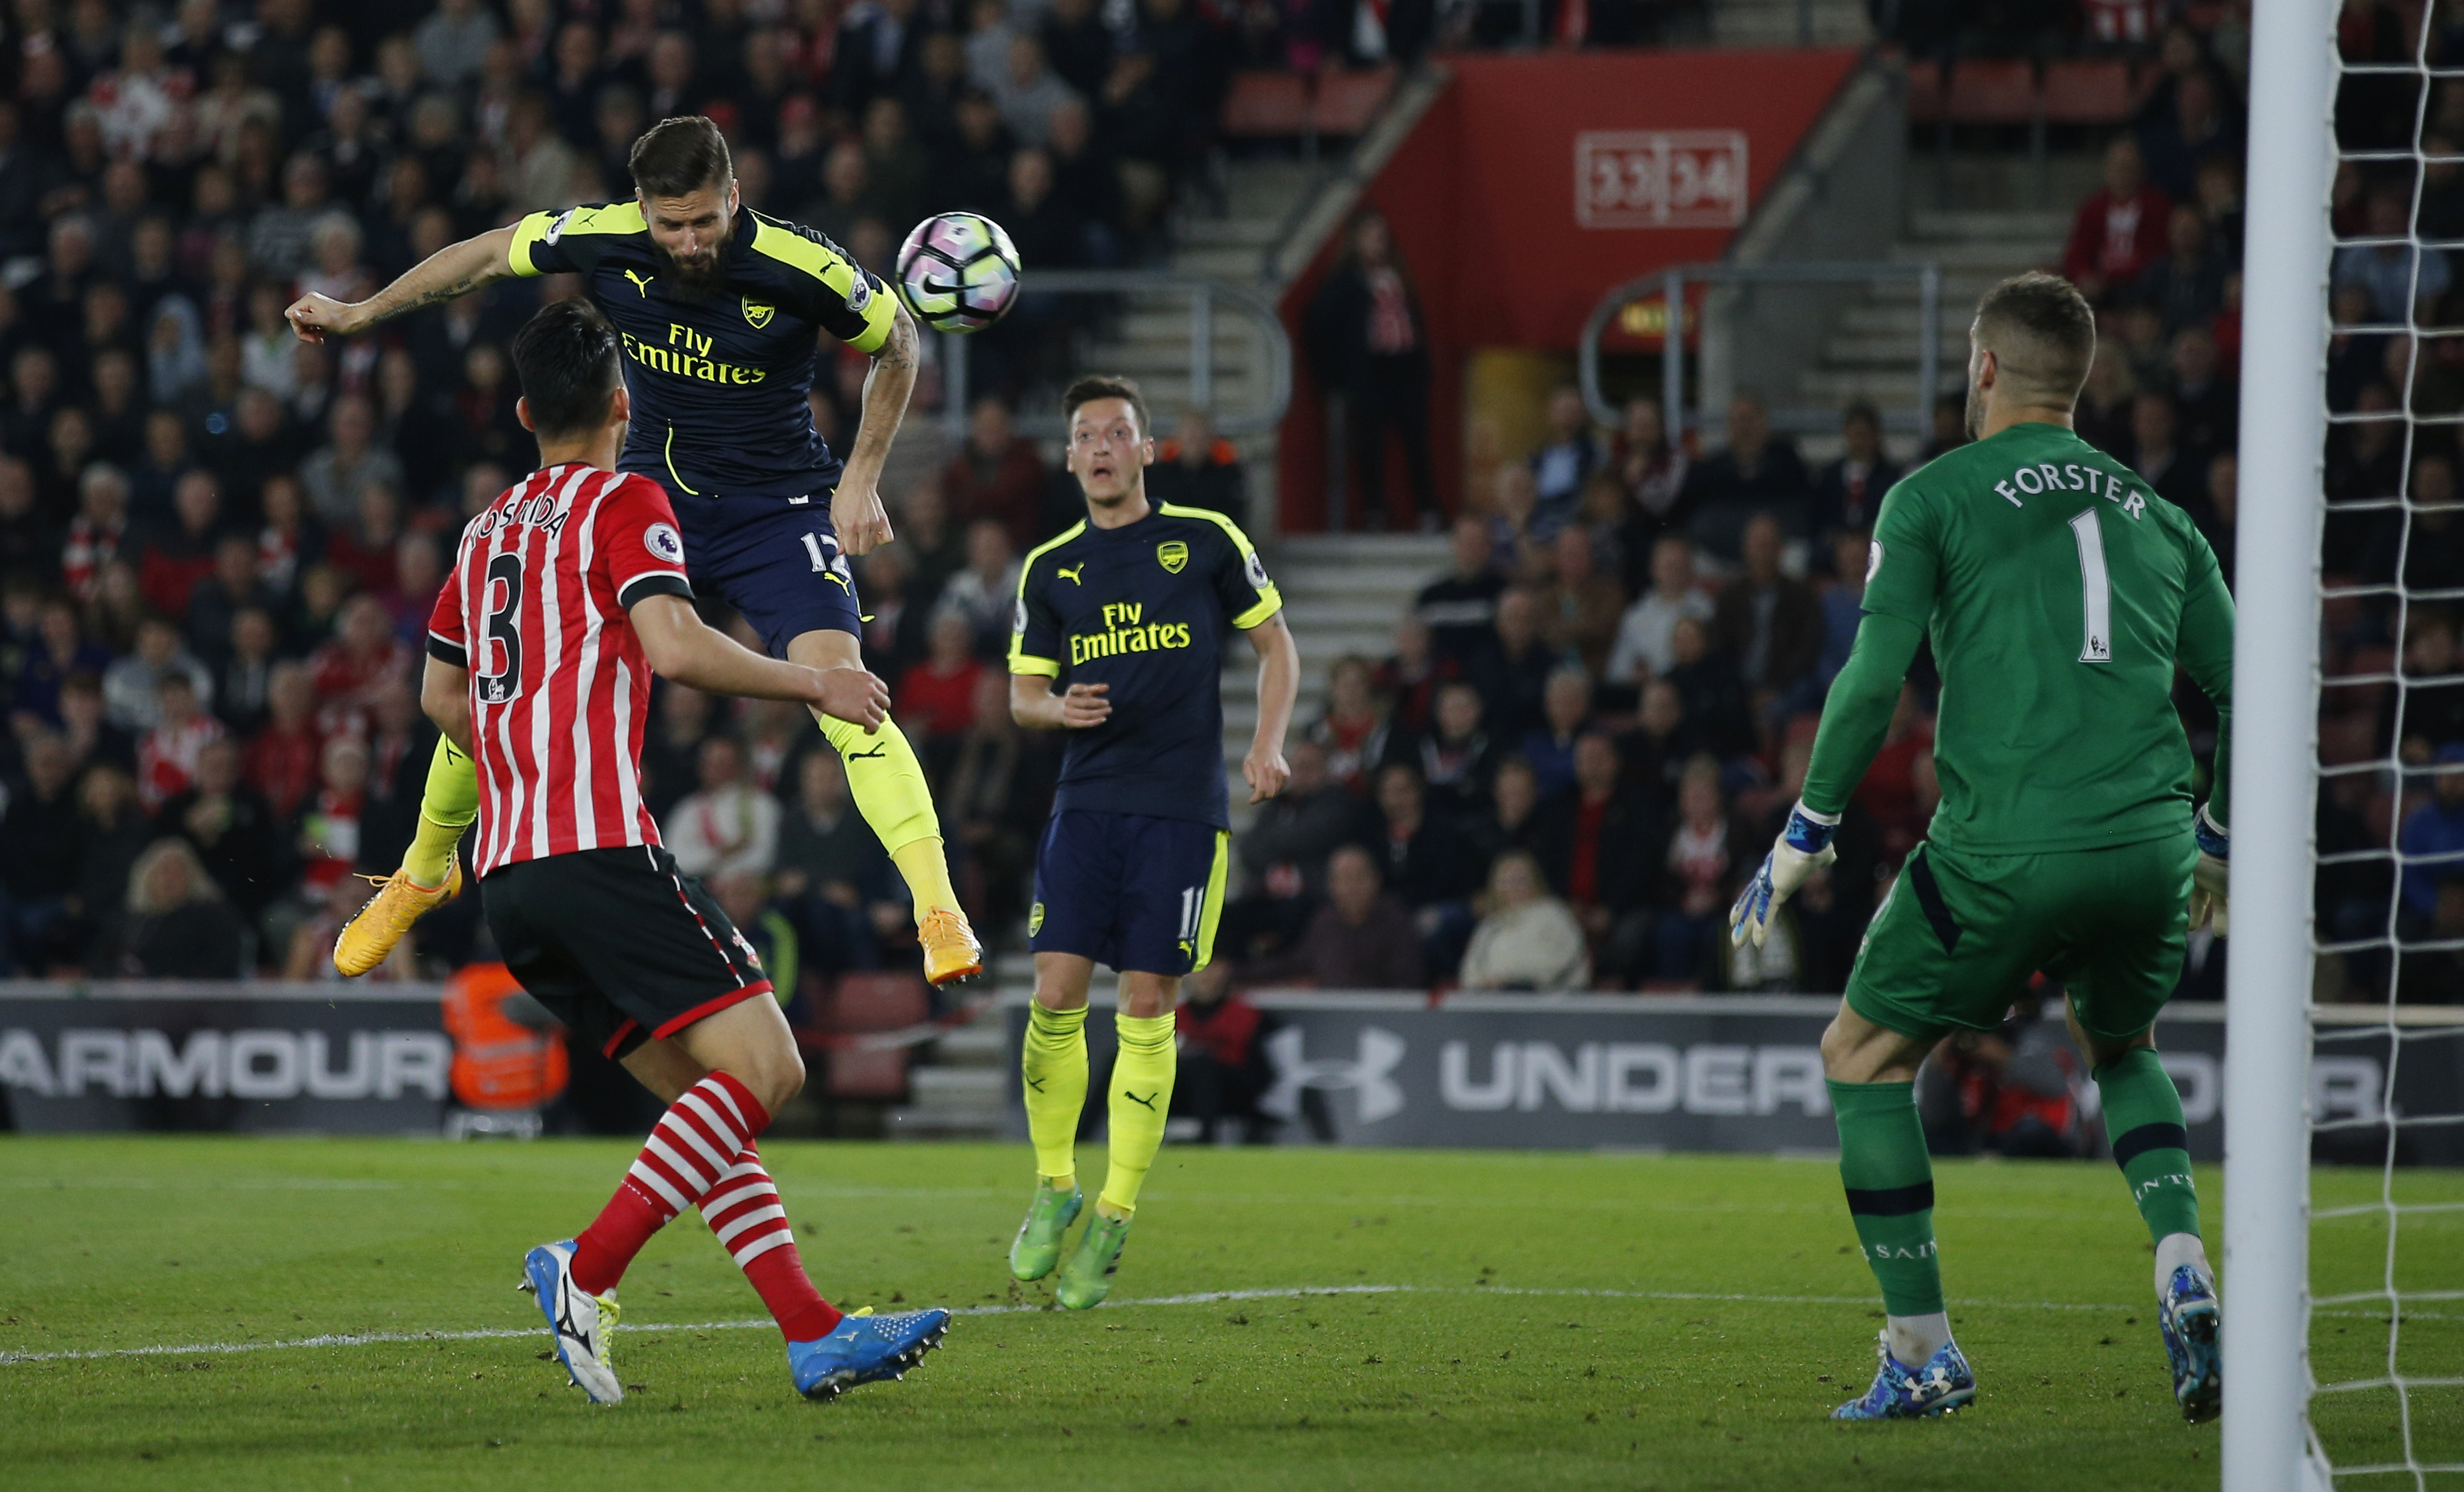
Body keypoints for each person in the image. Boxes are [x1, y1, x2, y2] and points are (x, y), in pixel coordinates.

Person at [290, 114, 982, 990]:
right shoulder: (606, 234)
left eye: (704, 219)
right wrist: (361, 311)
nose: (689, 241)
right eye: (670, 224)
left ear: (734, 195)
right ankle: (425, 869)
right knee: (509, 674)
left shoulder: (804, 264)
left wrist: (861, 478)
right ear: (642, 210)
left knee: (843, 684)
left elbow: (900, 343)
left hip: (779, 511)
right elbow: (489, 251)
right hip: (647, 500)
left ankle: (936, 904)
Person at [413, 299, 948, 1404]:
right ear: (625, 406)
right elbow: (671, 640)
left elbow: (438, 695)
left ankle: (809, 1329)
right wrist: (817, 678)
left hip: (511, 882)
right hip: (598, 849)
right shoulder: (626, 497)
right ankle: (586, 1264)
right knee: (772, 1069)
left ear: (522, 413)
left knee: (708, 1110)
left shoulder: (481, 532)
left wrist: (523, 749)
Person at [1728, 272, 2233, 1423]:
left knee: (1860, 1056)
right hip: (2147, 845)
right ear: (2083, 376)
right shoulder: (2159, 515)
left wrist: (1807, 823)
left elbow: (1869, 681)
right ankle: (2179, 1261)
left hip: (2004, 845)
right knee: (2117, 1044)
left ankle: (1922, 1353)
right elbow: (2245, 684)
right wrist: (2211, 842)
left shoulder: (1930, 497)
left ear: (1983, 365)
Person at [1005, 374, 1298, 1308]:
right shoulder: (1050, 567)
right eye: (1085, 433)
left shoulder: (1206, 541)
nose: (1100, 447)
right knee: (1055, 989)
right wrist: (1054, 707)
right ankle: (1055, 1188)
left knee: (1146, 999)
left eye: (1117, 433)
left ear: (1146, 451)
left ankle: (1116, 1212)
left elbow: (1277, 645)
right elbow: (1020, 694)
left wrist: (1266, 741)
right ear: (1068, 456)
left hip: (1179, 809)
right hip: (1085, 801)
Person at [1306, 210, 1437, 530]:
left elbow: (1413, 320)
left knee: (1417, 443)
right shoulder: (1343, 282)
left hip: (1404, 367)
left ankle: (1428, 510)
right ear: (1356, 241)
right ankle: (1375, 510)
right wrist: (1335, 376)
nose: (1379, 242)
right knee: (1370, 447)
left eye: (1382, 235)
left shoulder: (1398, 276)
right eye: (1371, 235)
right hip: (1368, 374)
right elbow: (1319, 329)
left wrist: (1421, 367)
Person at [1237, 842, 1425, 990]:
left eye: (1359, 877)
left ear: (1376, 880)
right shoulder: (1325, 921)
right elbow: (1295, 962)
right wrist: (1234, 972)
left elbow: (1409, 982)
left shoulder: (1395, 920)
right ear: (1331, 885)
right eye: (1344, 878)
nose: (1352, 886)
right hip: (1331, 1019)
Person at [1457, 850, 1588, 992]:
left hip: (1546, 1001)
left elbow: (1565, 962)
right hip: (1494, 1000)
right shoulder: (1490, 925)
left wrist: (1508, 979)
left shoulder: (1554, 915)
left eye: (1520, 881)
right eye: (1505, 882)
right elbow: (1470, 970)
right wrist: (1482, 983)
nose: (1513, 888)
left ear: (1535, 881)